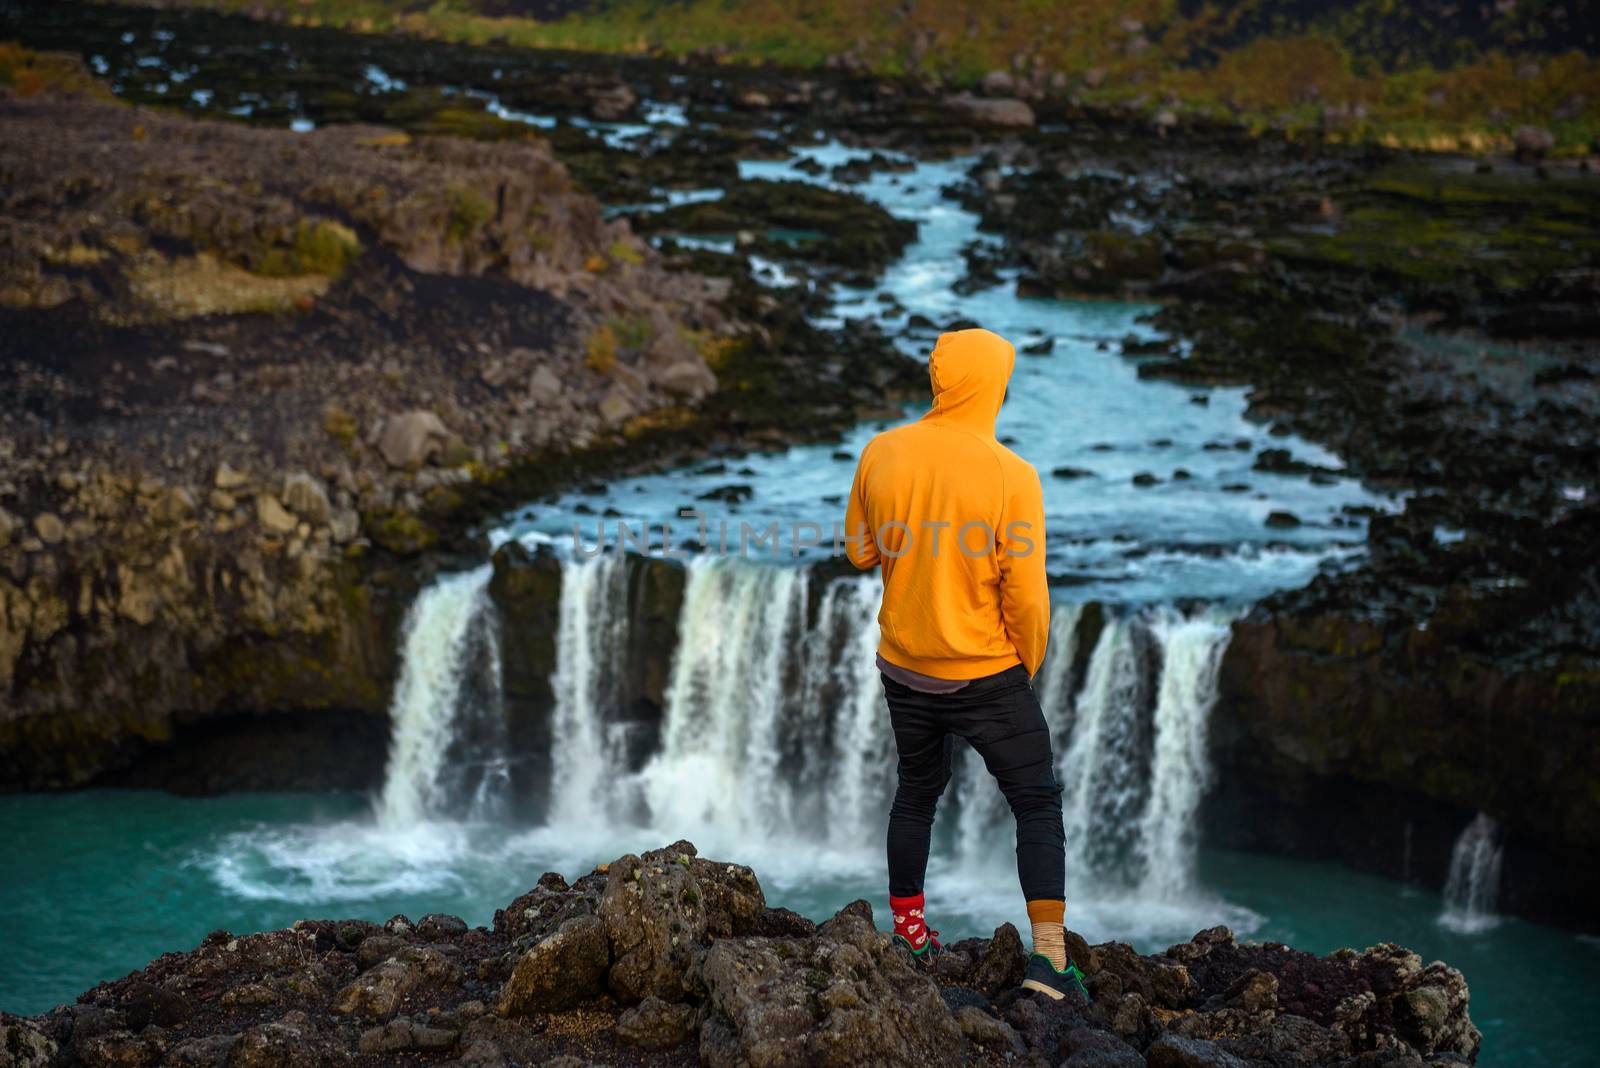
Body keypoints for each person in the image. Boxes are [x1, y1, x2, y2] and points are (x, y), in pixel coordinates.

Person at [842, 327, 1089, 1001]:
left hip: (903, 666)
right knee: (1035, 802)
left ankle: (911, 935)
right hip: (985, 672)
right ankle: (1049, 962)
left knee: (917, 790)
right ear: (990, 386)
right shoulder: (1014, 477)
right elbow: (1027, 598)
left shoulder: (881, 451)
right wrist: (1023, 667)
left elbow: (860, 551)